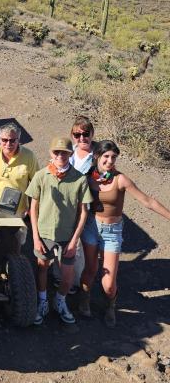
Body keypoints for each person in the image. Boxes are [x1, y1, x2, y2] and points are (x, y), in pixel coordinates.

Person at [79, 140, 170, 327]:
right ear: (97, 156)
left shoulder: (120, 179)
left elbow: (147, 201)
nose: (110, 161)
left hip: (112, 231)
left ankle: (110, 305)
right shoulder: (88, 178)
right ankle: (84, 300)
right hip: (91, 227)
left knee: (109, 283)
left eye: (113, 157)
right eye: (106, 156)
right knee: (90, 270)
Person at [26, 137, 93, 325]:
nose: (60, 156)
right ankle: (43, 301)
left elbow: (83, 212)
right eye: (56, 152)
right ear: (50, 154)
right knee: (42, 269)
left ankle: (61, 301)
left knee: (68, 275)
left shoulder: (79, 179)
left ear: (70, 154)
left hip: (68, 236)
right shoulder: (41, 176)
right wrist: (35, 237)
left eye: (64, 152)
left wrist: (74, 240)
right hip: (44, 233)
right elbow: (33, 208)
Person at [52, 116, 96, 291]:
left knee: (77, 246)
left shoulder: (98, 155)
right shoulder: (68, 152)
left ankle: (73, 282)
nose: (82, 138)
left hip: (87, 205)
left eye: (85, 134)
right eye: (77, 135)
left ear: (92, 133)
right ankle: (58, 276)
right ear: (72, 135)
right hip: (66, 205)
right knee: (60, 241)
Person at [0, 122, 39, 217]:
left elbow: (35, 184)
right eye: (4, 140)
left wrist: (32, 208)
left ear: (18, 140)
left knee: (18, 232)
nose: (8, 144)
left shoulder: (29, 156)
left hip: (18, 211)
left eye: (12, 140)